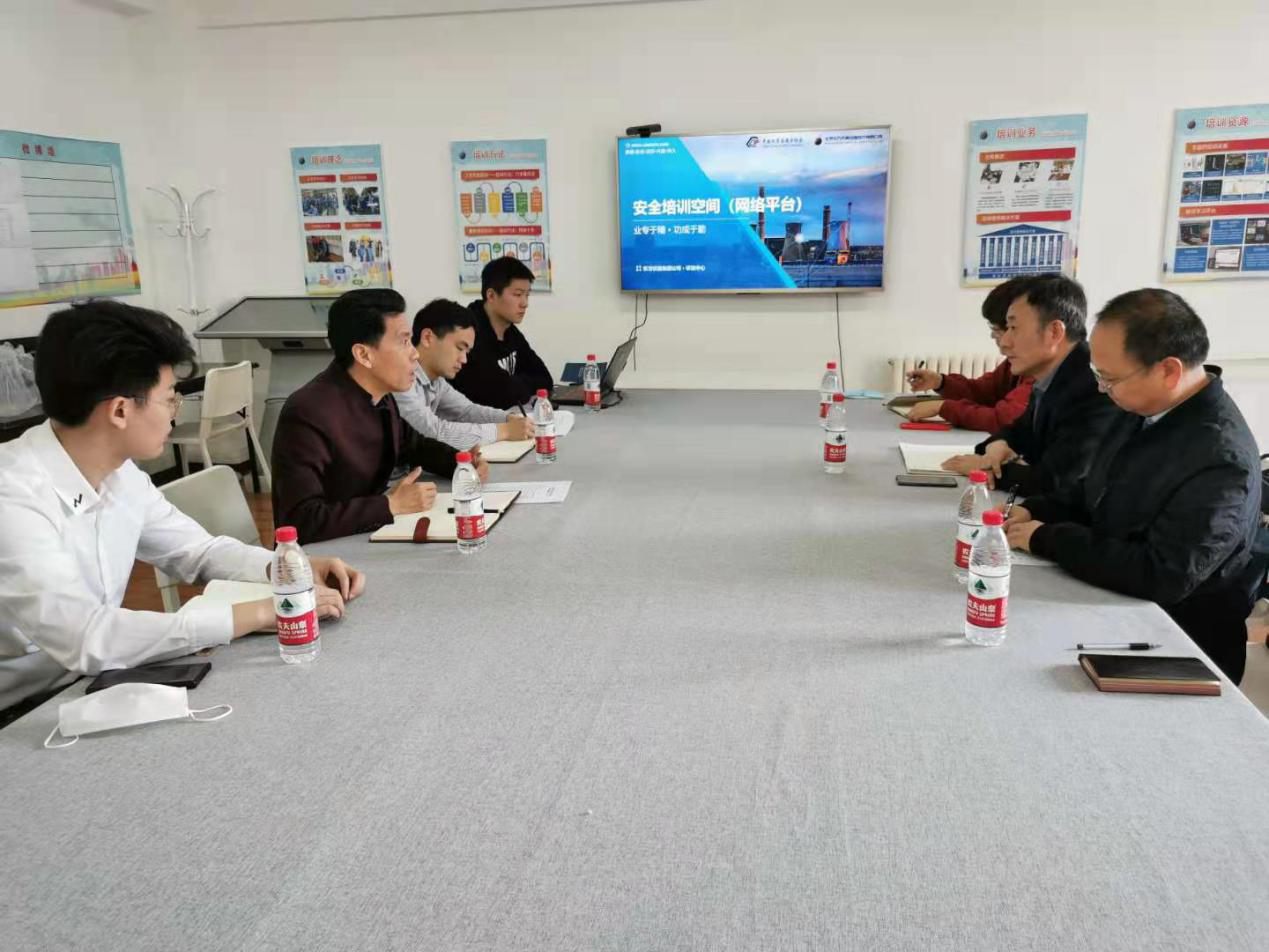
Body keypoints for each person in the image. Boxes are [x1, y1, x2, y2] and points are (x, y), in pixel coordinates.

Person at [0, 301, 365, 723]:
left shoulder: (120, 474)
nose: (175, 413)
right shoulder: (13, 497)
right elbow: (86, 636)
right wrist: (261, 613)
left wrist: (282, 569)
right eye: (170, 399)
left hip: (95, 683)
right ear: (120, 410)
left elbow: (196, 552)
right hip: (21, 713)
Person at [1003, 289, 1262, 682]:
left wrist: (1047, 538)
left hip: (1173, 645)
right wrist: (1036, 509)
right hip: (1108, 599)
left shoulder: (1221, 459)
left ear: (1168, 371)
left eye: (1109, 378)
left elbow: (1162, 574)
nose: (1101, 389)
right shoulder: (1146, 408)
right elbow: (1097, 491)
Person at [272, 288, 470, 544]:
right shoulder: (307, 413)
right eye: (404, 342)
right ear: (364, 355)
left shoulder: (381, 394)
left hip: (363, 536)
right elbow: (300, 520)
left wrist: (462, 464)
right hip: (324, 554)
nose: (415, 354)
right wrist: (389, 505)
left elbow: (412, 445)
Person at [941, 274, 1122, 495]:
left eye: (1013, 328)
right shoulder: (1054, 375)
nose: (1004, 343)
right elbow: (1018, 430)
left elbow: (1058, 482)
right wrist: (997, 445)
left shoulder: (1092, 386)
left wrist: (985, 469)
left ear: (1054, 332)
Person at [395, 298, 536, 451]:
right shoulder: (400, 379)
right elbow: (434, 431)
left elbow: (466, 410)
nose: (464, 359)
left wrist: (507, 418)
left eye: (467, 352)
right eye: (459, 348)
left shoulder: (436, 380)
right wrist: (505, 430)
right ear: (428, 338)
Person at [905, 275, 1037, 430]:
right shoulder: (1019, 361)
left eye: (998, 329)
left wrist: (943, 407)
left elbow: (1004, 419)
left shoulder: (1043, 371)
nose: (1003, 342)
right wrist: (941, 382)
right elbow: (985, 392)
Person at [450, 256, 553, 409]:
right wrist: (518, 384)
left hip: (508, 416)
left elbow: (545, 379)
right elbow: (501, 395)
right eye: (517, 294)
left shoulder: (509, 330)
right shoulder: (469, 332)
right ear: (491, 295)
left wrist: (513, 384)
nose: (525, 303)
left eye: (527, 295)